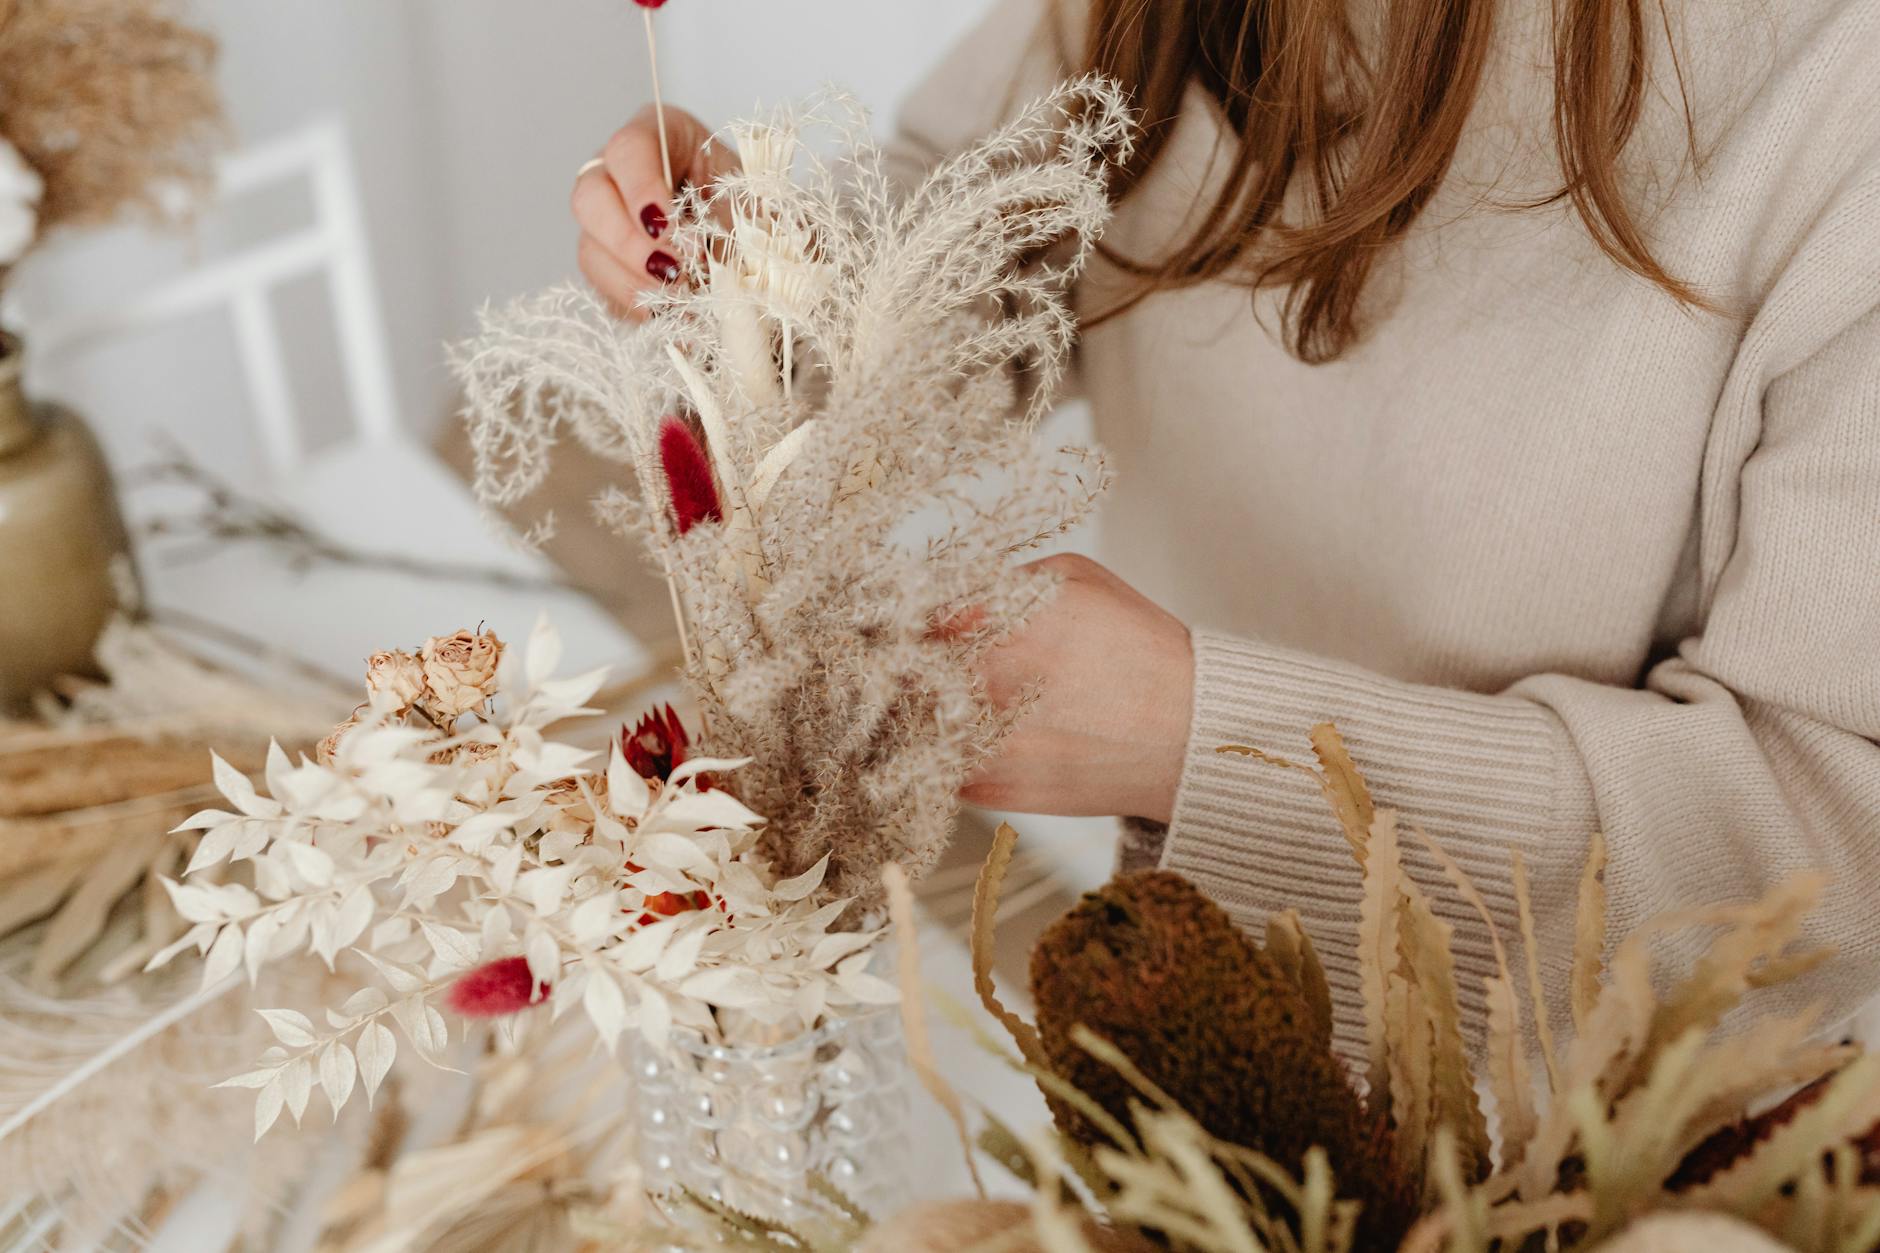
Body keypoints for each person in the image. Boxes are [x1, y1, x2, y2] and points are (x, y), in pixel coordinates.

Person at [571, 0, 1880, 1052]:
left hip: (1636, 1139)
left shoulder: (1836, 97)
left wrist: (1200, 737)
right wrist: (774, 290)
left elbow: (1822, 856)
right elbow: (997, 228)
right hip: (1180, 1016)